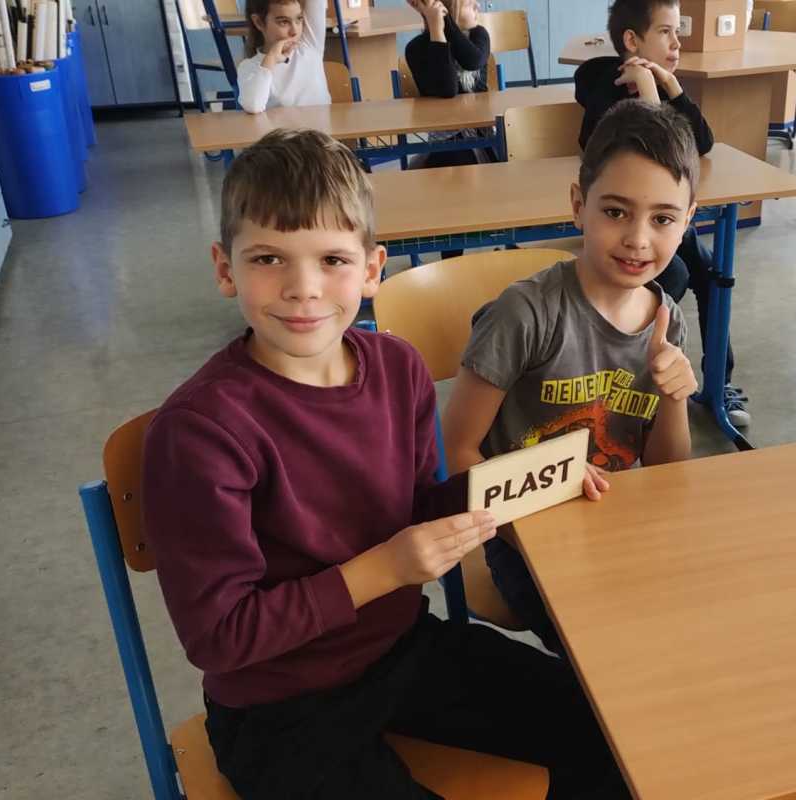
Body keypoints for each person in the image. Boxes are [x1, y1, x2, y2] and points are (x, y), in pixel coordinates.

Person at [141, 129, 629, 799]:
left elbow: (418, 507)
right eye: (268, 258)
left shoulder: (398, 368)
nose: (304, 289)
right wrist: (387, 569)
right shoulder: (200, 430)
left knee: (611, 732)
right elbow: (219, 636)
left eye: (332, 260)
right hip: (277, 710)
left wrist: (523, 482)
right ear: (226, 269)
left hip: (399, 651)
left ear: (372, 270)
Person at [443, 100, 697, 655]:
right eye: (616, 212)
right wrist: (535, 501)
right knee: (611, 648)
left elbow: (668, 476)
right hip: (521, 534)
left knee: (692, 616)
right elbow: (456, 450)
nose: (638, 239)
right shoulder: (525, 314)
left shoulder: (666, 319)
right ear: (579, 205)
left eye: (662, 219)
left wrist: (674, 396)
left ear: (688, 220)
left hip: (618, 524)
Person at [575, 0, 751, 428]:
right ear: (632, 40)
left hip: (664, 224)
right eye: (666, 32)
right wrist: (650, 94)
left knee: (711, 276)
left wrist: (671, 87)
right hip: (627, 224)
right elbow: (653, 148)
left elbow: (702, 142)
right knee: (673, 278)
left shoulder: (661, 83)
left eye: (678, 32)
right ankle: (634, 382)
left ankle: (717, 384)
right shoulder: (604, 83)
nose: (677, 42)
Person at [403, 0, 493, 168]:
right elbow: (447, 89)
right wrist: (437, 31)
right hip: (446, 141)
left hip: (483, 135)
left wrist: (445, 22)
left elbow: (473, 61)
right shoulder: (416, 48)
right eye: (469, 3)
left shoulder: (478, 35)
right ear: (448, 10)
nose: (478, 6)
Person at [237, 0, 331, 114]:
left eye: (299, 19)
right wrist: (271, 59)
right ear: (259, 22)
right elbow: (253, 106)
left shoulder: (309, 45)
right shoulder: (249, 67)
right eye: (284, 22)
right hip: (284, 126)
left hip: (322, 126)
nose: (294, 31)